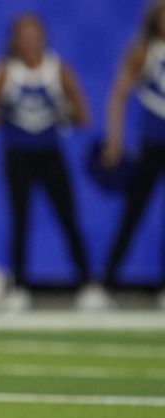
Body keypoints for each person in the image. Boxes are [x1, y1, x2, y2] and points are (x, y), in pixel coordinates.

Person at [0, 13, 101, 311]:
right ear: (14, 40)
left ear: (44, 38)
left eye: (35, 36)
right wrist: (7, 115)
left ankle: (88, 284)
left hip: (49, 153)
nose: (30, 42)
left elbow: (83, 116)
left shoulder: (58, 70)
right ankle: (20, 287)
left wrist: (62, 113)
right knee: (20, 220)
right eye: (24, 36)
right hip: (17, 155)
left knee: (68, 216)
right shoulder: (4, 71)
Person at [102, 0, 165, 307]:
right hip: (153, 145)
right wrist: (116, 141)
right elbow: (118, 96)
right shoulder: (145, 52)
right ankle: (106, 284)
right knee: (133, 214)